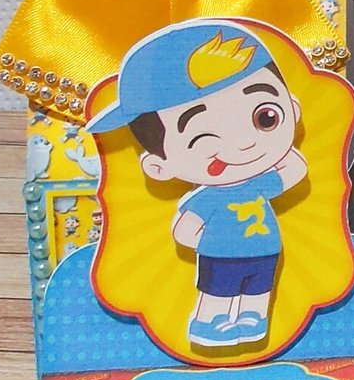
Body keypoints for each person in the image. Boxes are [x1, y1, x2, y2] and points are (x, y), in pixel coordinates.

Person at [88, 22, 305, 352]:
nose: (245, 143)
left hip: (265, 253)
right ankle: (210, 324)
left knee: (258, 294)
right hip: (221, 257)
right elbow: (184, 232)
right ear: (159, 167)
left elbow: (295, 170)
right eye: (204, 142)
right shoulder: (208, 198)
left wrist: (281, 147)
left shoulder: (258, 185)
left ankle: (253, 320)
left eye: (265, 118)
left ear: (292, 108)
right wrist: (214, 242)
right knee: (217, 296)